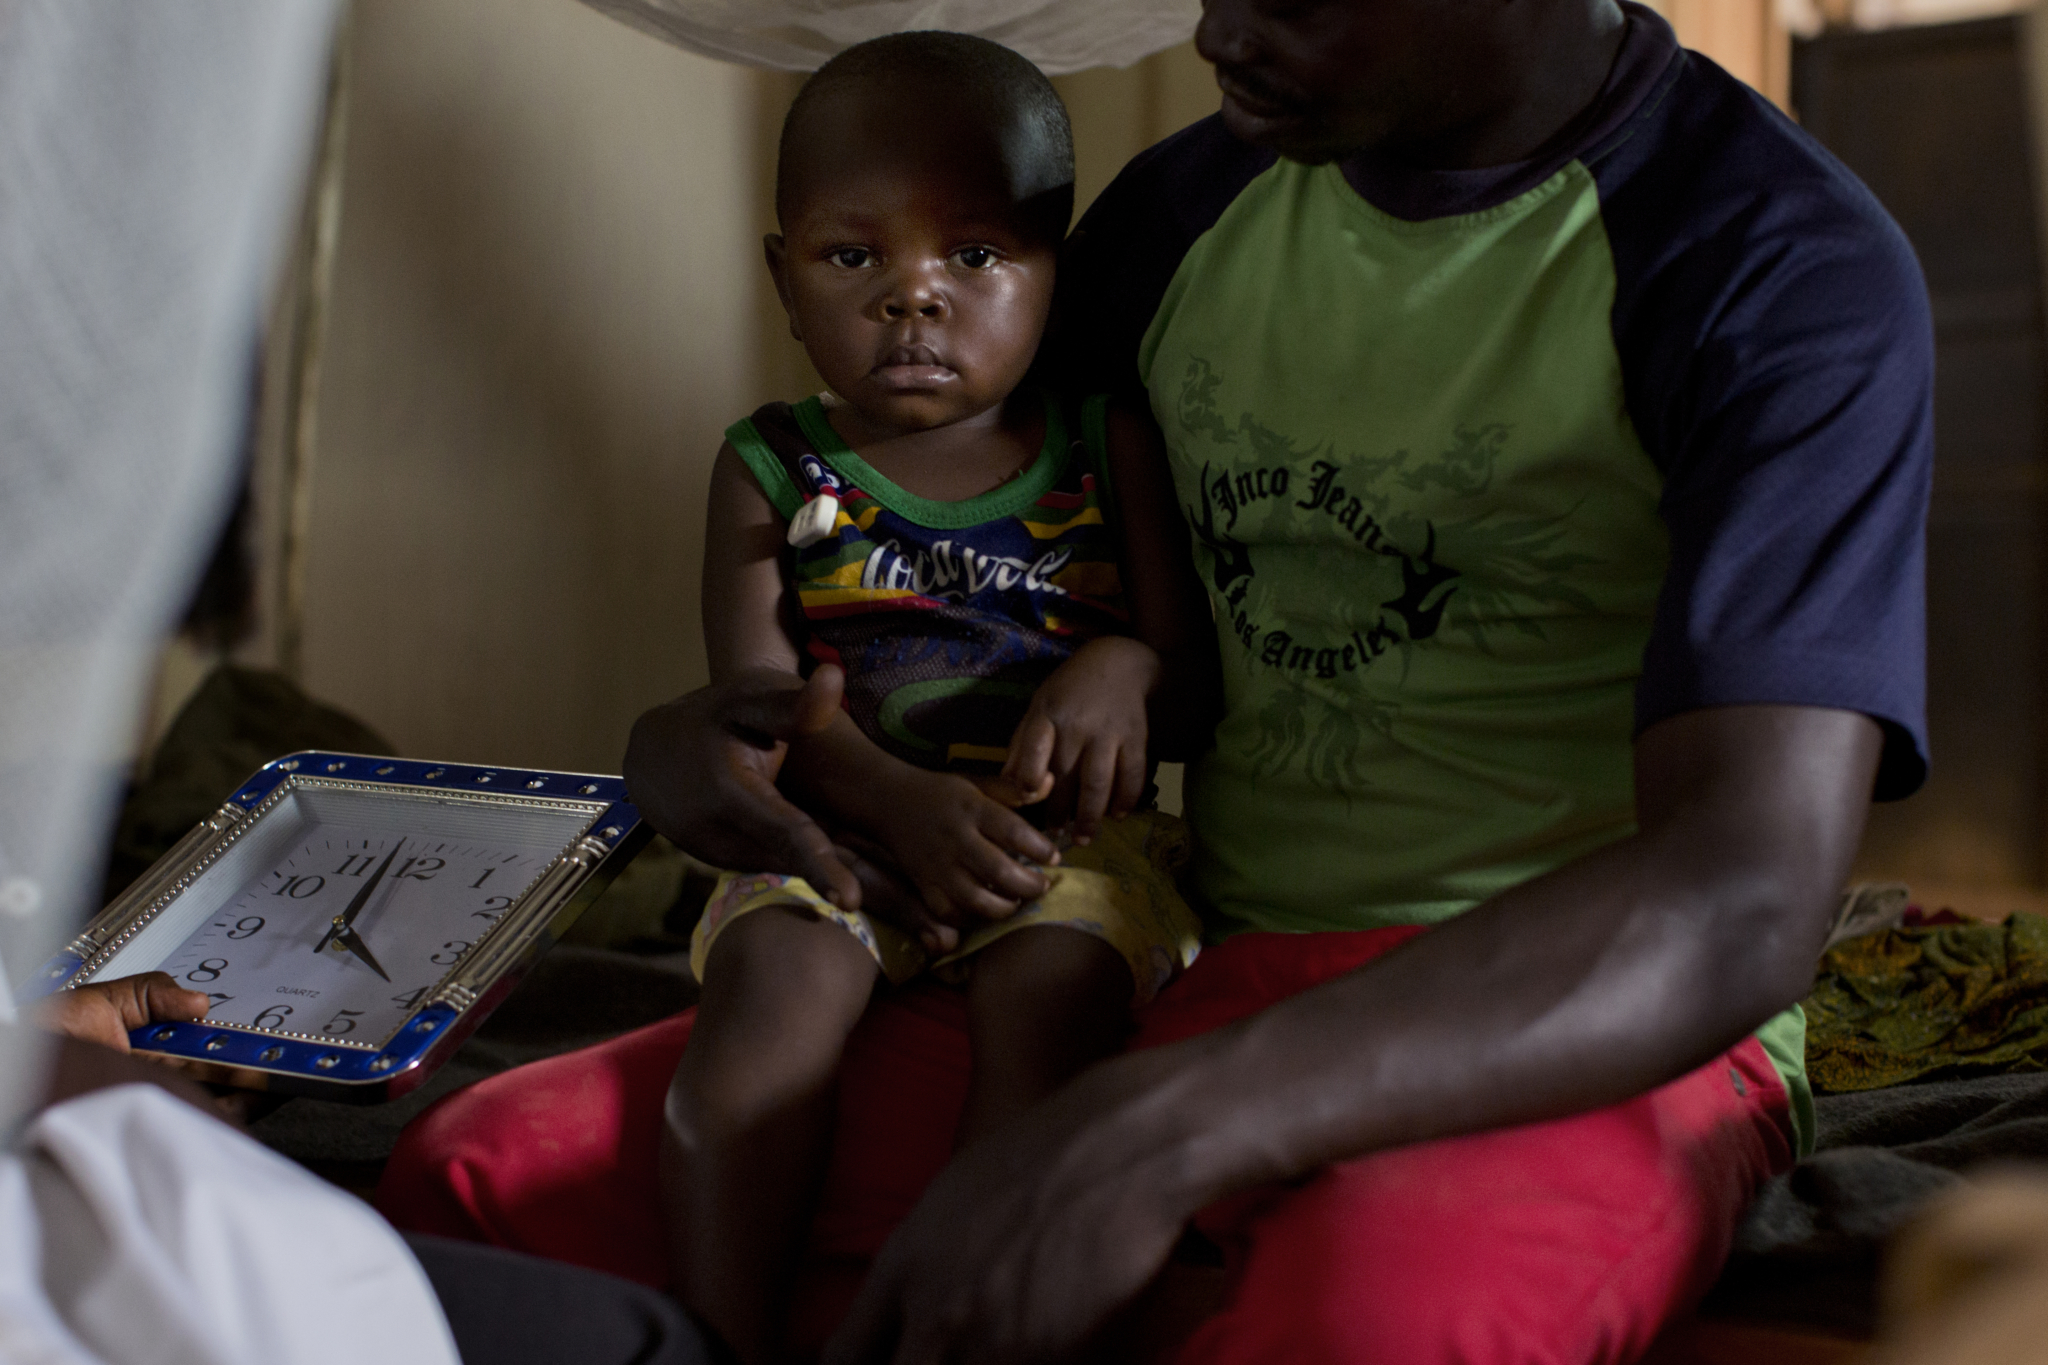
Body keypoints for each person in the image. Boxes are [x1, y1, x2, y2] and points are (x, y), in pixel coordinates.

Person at [378, 1, 1934, 1361]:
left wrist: (1159, 1128)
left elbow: (1742, 898)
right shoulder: (1183, 218)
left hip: (1575, 1011)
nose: (1219, 31)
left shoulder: (1772, 268)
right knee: (494, 1171)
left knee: (1367, 1324)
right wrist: (692, 749)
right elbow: (958, 594)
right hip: (1195, 961)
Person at [664, 32, 1215, 1364]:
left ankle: (964, 1328)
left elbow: (1194, 677)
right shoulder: (773, 466)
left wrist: (1124, 660)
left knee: (1053, 1005)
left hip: (1064, 848)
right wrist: (897, 807)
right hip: (840, 837)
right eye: (855, 258)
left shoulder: (1102, 442)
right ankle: (714, 1339)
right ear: (783, 275)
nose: (916, 299)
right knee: (761, 1017)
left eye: (974, 257)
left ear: (1051, 278)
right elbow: (757, 700)